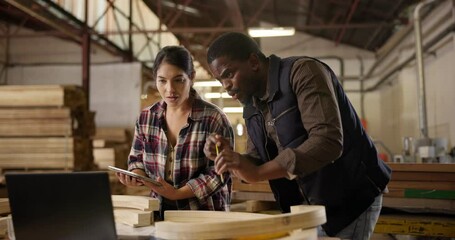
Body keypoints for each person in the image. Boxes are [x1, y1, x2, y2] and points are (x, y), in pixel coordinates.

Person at [204, 32, 391, 239]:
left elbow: (327, 141)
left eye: (229, 74)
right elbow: (257, 159)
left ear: (254, 61)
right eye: (220, 80)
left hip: (349, 197)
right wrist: (234, 159)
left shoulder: (303, 73)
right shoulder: (252, 104)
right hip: (309, 206)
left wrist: (257, 173)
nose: (226, 85)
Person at [116, 45, 234, 219]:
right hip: (160, 215)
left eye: (178, 80)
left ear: (191, 77)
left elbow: (219, 173)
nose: (169, 89)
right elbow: (136, 160)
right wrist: (136, 176)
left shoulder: (213, 119)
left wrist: (177, 194)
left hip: (204, 217)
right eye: (162, 81)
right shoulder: (146, 118)